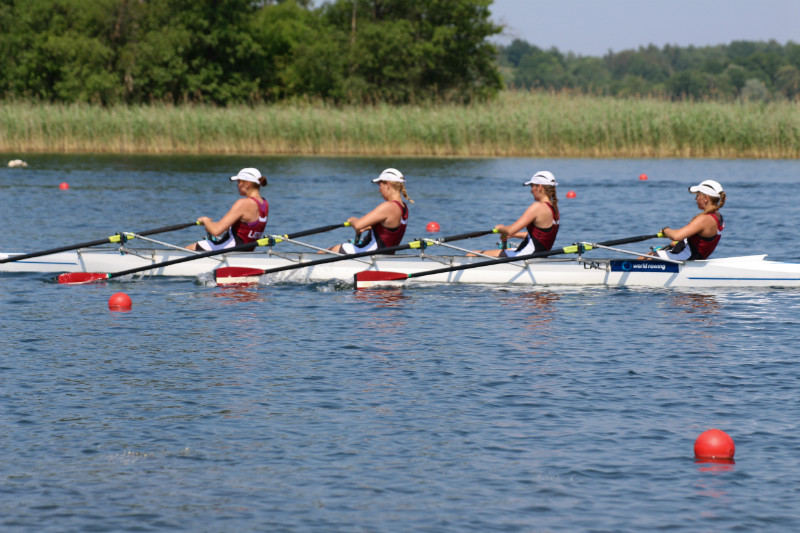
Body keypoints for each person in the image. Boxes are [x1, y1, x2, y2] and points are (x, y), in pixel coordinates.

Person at [472, 170, 560, 257]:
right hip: (539, 256)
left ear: (539, 187)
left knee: (472, 254)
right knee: (507, 250)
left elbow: (510, 230)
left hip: (525, 256)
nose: (531, 191)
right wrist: (513, 235)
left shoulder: (537, 207)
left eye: (532, 186)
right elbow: (539, 236)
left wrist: (501, 228)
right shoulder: (554, 209)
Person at [327, 168, 413, 254]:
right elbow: (391, 229)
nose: (379, 190)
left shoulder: (388, 206)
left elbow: (358, 225)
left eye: (380, 186)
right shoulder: (403, 207)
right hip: (385, 256)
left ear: (388, 184)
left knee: (326, 251)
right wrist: (369, 227)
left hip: (369, 253)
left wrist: (352, 220)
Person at [187, 168, 269, 251]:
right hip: (245, 252)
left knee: (190, 248)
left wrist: (205, 220)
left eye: (238, 182)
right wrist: (210, 225)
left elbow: (216, 231)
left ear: (247, 183)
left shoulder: (244, 203)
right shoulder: (265, 203)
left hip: (229, 250)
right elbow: (244, 229)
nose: (237, 185)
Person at [654, 179, 725, 261]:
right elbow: (699, 240)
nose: (696, 199)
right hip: (693, 257)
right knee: (658, 251)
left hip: (685, 259)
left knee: (649, 256)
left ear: (706, 198)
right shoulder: (717, 216)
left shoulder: (705, 219)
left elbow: (677, 236)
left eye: (697, 195)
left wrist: (666, 230)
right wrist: (678, 242)